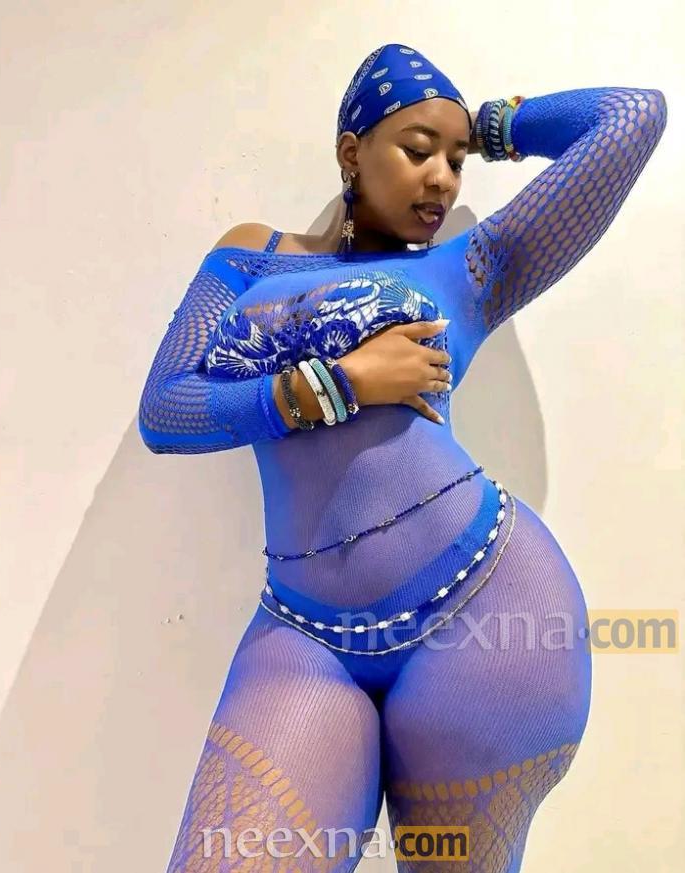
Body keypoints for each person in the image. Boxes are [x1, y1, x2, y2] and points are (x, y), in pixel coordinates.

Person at [138, 43, 667, 873]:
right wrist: (342, 382)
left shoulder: (473, 267)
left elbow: (633, 116)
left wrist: (487, 127)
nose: (442, 180)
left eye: (456, 162)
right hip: (303, 637)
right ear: (351, 151)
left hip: (486, 612)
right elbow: (166, 408)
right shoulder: (250, 254)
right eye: (418, 150)